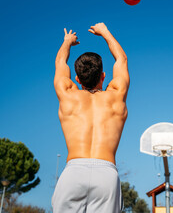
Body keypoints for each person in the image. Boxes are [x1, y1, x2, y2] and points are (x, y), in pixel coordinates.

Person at [52, 23, 129, 213]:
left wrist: (67, 42)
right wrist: (105, 33)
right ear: (103, 76)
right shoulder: (116, 96)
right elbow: (122, 59)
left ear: (77, 79)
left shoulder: (68, 94)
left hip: (73, 173)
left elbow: (60, 63)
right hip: (106, 176)